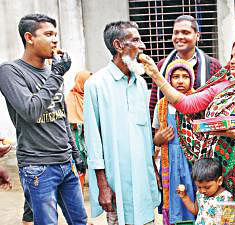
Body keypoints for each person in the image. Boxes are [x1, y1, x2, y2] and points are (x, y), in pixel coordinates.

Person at [142, 39, 235, 224]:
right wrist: (157, 77)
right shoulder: (223, 87)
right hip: (221, 168)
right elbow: (187, 104)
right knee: (222, 219)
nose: (232, 60)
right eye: (231, 56)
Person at [0, 13, 87, 225]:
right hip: (38, 166)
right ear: (29, 37)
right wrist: (57, 75)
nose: (55, 40)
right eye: (48, 34)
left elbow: (62, 115)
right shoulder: (10, 71)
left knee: (80, 221)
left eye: (55, 34)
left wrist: (75, 153)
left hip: (65, 162)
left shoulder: (50, 72)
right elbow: (30, 110)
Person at [84, 21, 160, 225]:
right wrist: (102, 185)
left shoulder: (141, 83)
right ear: (118, 45)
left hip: (143, 180)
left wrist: (154, 170)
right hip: (116, 182)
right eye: (135, 40)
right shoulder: (96, 84)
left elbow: (144, 135)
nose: (142, 45)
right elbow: (93, 140)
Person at [149, 15, 221, 124]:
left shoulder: (212, 65)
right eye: (176, 32)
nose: (179, 37)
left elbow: (219, 104)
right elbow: (154, 104)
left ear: (197, 36)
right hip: (169, 135)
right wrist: (156, 137)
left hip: (203, 135)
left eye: (185, 32)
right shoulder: (162, 66)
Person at [152, 59, 196, 224]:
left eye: (185, 76)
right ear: (168, 79)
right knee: (173, 197)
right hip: (169, 162)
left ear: (191, 80)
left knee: (193, 192)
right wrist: (160, 138)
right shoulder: (161, 106)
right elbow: (155, 140)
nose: (180, 80)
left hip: (192, 162)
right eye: (175, 76)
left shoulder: (197, 102)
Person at [176, 158, 232, 225]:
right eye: (199, 187)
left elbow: (229, 221)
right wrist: (184, 197)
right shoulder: (200, 194)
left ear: (219, 181)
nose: (202, 191)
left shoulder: (226, 198)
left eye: (207, 187)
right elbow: (195, 210)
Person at [66, 70, 92, 193]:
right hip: (76, 136)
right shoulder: (71, 97)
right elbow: (68, 119)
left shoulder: (92, 96)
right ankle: (79, 192)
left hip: (91, 135)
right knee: (79, 165)